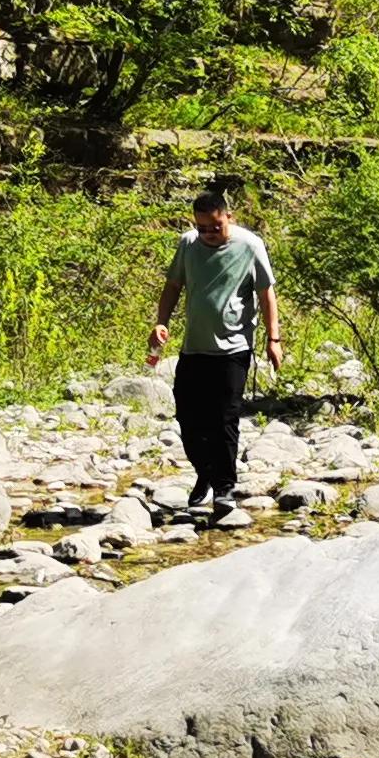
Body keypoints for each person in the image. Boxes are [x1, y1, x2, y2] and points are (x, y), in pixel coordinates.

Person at [148, 183, 280, 519]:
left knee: (224, 419)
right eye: (201, 227)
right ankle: (205, 472)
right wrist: (161, 322)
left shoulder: (250, 245)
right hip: (194, 348)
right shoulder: (188, 244)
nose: (207, 233)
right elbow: (173, 285)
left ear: (229, 218)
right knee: (188, 419)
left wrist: (273, 340)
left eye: (215, 226)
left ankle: (224, 488)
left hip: (234, 348)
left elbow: (266, 295)